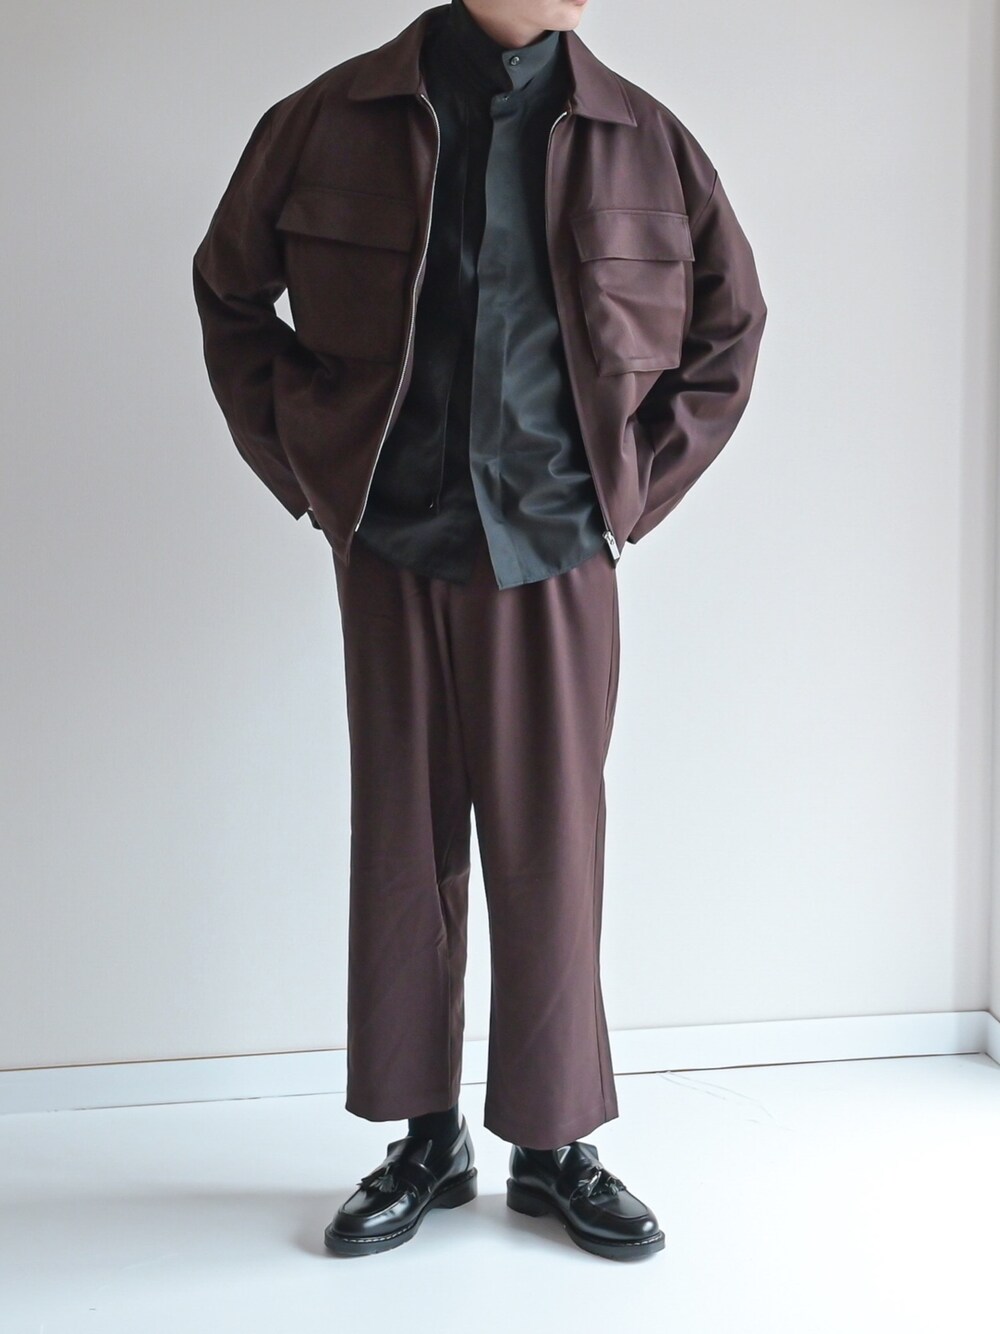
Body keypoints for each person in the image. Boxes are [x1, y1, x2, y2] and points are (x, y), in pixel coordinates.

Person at [192, 0, 766, 1262]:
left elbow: (729, 330)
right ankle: (423, 1138)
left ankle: (553, 1147)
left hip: (555, 548)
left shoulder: (642, 138)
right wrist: (312, 468)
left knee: (552, 847)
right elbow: (228, 291)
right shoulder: (327, 119)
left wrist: (626, 494)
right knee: (402, 847)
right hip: (392, 538)